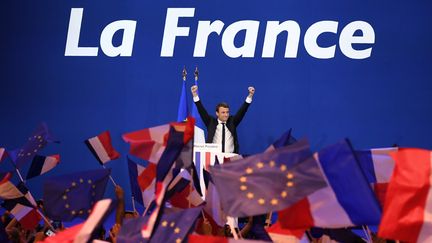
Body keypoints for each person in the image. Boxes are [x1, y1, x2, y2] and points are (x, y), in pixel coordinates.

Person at [191, 85, 255, 154]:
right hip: (214, 158)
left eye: (227, 112)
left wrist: (250, 95)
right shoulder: (210, 122)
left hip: (230, 158)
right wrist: (195, 95)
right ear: (217, 113)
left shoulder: (232, 121)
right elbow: (201, 110)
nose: (226, 115)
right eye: (223, 112)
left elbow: (242, 111)